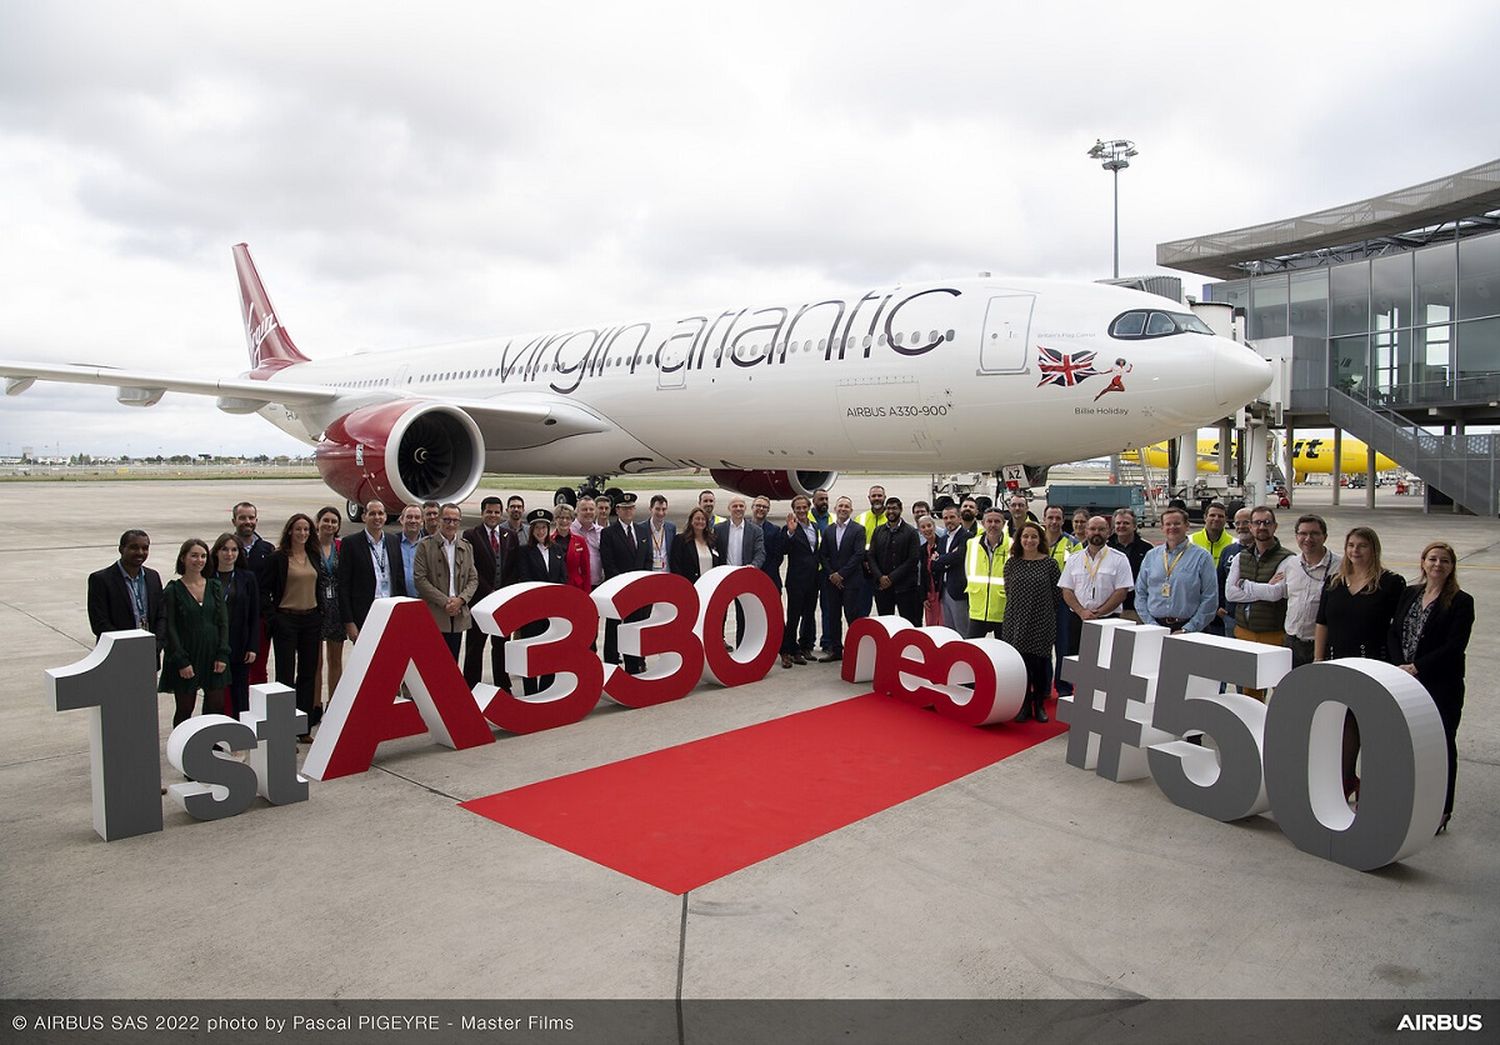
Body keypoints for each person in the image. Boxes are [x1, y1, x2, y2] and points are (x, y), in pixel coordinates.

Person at [1389, 541, 1474, 833]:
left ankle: (1442, 808)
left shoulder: (1461, 601)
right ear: (1423, 562)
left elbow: (1455, 646)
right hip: (1405, 680)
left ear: (1452, 567)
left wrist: (1418, 667)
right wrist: (1401, 664)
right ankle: (1408, 801)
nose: (1438, 565)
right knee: (1407, 743)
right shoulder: (1409, 593)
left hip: (1441, 684)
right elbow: (1394, 632)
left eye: (1445, 561)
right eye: (1433, 559)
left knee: (1443, 744)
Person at [1316, 526, 1405, 800]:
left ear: (1373, 549)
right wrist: (1318, 659)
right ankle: (1345, 778)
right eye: (1351, 545)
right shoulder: (1334, 581)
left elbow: (1398, 627)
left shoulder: (1390, 583)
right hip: (1338, 660)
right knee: (1343, 724)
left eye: (1362, 545)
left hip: (1373, 663)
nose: (1355, 551)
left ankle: (1374, 782)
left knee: (1370, 724)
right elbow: (1322, 622)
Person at [158, 538, 230, 728]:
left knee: (216, 704)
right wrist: (181, 660)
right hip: (187, 655)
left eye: (203, 556)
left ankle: (211, 744)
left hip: (213, 654)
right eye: (194, 555)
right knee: (185, 708)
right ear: (183, 558)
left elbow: (223, 622)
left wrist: (223, 653)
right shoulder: (173, 590)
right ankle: (181, 749)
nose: (199, 560)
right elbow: (170, 627)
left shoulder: (214, 586)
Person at [264, 514, 324, 739]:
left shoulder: (313, 555)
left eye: (307, 530)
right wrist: (274, 617)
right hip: (286, 620)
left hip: (310, 620)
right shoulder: (278, 558)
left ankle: (303, 727)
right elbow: (264, 591)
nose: (302, 534)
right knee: (285, 676)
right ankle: (284, 729)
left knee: (308, 674)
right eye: (298, 529)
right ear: (290, 531)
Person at [1224, 506, 1294, 699]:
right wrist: (1264, 588)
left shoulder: (1288, 559)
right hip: (1244, 632)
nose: (1262, 526)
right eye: (1257, 522)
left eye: (1267, 522)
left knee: (1281, 690)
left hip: (1274, 634)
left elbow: (1276, 594)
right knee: (1249, 691)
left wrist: (1245, 584)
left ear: (1275, 527)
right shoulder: (1241, 556)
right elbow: (1230, 594)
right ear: (1251, 527)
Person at [1002, 521, 1060, 722]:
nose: (1029, 540)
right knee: (1020, 666)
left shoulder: (1050, 564)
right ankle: (1024, 704)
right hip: (1015, 620)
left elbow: (1056, 594)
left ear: (1040, 540)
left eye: (1034, 536)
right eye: (1025, 536)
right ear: (1019, 539)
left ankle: (1039, 704)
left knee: (1039, 665)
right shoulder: (1012, 563)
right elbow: (1009, 591)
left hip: (1041, 620)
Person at [1269, 514, 1340, 668]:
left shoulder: (1340, 567)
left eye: (1314, 533)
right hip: (1292, 642)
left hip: (1322, 644)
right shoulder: (1291, 564)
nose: (1308, 538)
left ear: (1325, 537)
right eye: (1303, 533)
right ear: (1296, 537)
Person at [465, 496, 519, 691]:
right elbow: (471, 568)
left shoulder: (509, 535)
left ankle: (503, 685)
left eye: (496, 512)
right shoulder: (471, 535)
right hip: (480, 601)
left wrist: (503, 593)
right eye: (489, 512)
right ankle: (471, 685)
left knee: (501, 645)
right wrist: (490, 592)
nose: (493, 515)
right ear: (482, 513)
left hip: (502, 602)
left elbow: (513, 567)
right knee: (475, 646)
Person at [1058, 515, 1133, 654]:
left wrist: (1098, 613)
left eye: (1101, 529)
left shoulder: (1120, 559)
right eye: (1092, 529)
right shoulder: (1074, 559)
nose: (1096, 532)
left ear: (1109, 532)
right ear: (1086, 532)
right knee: (1076, 660)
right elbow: (1067, 590)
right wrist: (1081, 612)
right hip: (1078, 620)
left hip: (1108, 619)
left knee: (1104, 663)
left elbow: (1121, 592)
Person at [1135, 506, 1217, 634]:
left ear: (1187, 526)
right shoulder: (1151, 556)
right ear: (1162, 528)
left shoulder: (1202, 557)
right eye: (1168, 524)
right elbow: (1140, 593)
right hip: (1155, 626)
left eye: (1177, 523)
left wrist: (1188, 629)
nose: (1172, 527)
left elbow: (1210, 598)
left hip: (1189, 628)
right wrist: (1151, 625)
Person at [413, 503, 478, 659]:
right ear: (439, 520)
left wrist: (460, 600)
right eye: (447, 520)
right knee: (433, 661)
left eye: (455, 520)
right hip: (436, 612)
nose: (451, 524)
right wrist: (445, 602)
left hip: (458, 613)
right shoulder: (425, 546)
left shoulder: (466, 547)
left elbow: (473, 578)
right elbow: (419, 579)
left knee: (452, 661)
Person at [337, 499, 407, 643]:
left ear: (386, 517)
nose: (377, 517)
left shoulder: (393, 541)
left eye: (381, 513)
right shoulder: (351, 543)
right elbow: (343, 585)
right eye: (372, 513)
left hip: (389, 610)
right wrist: (349, 622)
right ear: (364, 517)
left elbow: (399, 580)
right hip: (364, 614)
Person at [209, 532, 260, 719]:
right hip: (214, 645)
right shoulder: (207, 578)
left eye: (234, 550)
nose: (229, 554)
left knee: (240, 693)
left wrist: (252, 646)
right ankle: (214, 735)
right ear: (216, 552)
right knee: (215, 696)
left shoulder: (247, 578)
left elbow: (254, 615)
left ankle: (240, 734)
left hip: (239, 644)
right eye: (224, 549)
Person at [88, 529, 165, 651]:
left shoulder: (153, 577)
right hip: (116, 652)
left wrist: (157, 644)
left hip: (149, 651)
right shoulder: (101, 580)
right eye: (134, 548)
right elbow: (99, 623)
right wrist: (127, 645)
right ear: (121, 549)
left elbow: (161, 615)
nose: (140, 552)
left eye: (145, 548)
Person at [517, 509, 567, 696]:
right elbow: (526, 579)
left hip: (553, 613)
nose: (540, 531)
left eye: (544, 527)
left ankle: (547, 689)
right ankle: (531, 691)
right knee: (531, 653)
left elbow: (563, 578)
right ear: (532, 530)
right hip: (533, 613)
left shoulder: (557, 550)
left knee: (550, 653)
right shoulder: (525, 551)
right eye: (537, 528)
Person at [599, 492, 649, 674]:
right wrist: (623, 586)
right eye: (624, 508)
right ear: (617, 510)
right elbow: (608, 563)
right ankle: (611, 666)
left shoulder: (643, 531)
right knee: (614, 629)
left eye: (631, 508)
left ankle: (634, 665)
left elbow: (647, 559)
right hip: (617, 590)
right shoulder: (608, 533)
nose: (628, 511)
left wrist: (641, 583)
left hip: (638, 590)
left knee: (634, 629)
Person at [816, 496, 866, 661]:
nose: (843, 509)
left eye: (846, 507)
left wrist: (841, 574)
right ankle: (836, 650)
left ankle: (855, 650)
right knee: (833, 616)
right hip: (832, 582)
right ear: (835, 509)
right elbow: (823, 555)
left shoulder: (858, 529)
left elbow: (858, 554)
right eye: (840, 506)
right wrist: (832, 574)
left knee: (852, 616)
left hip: (851, 581)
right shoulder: (829, 530)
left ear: (851, 510)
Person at [232, 501, 274, 685]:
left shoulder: (267, 549)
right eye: (242, 518)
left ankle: (258, 710)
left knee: (258, 669)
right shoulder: (225, 549)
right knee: (233, 669)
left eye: (251, 517)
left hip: (260, 618)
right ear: (234, 521)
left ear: (256, 520)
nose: (247, 521)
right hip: (232, 618)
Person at [716, 497, 767, 644]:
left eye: (741, 506)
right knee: (720, 614)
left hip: (744, 578)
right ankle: (719, 643)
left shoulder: (755, 530)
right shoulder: (720, 529)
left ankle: (742, 647)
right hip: (724, 577)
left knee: (743, 615)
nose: (738, 508)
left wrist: (754, 566)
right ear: (729, 509)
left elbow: (760, 552)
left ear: (745, 509)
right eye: (735, 506)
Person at [1043, 506, 1081, 695]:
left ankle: (1064, 686)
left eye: (1058, 518)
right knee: (1042, 647)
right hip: (1040, 602)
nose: (1054, 522)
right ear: (1044, 519)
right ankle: (1044, 686)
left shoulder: (1072, 543)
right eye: (1050, 517)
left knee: (1063, 647)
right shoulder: (1035, 539)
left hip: (1063, 603)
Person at [780, 495, 821, 668]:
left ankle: (804, 647)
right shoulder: (790, 528)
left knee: (809, 614)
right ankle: (788, 650)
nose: (802, 511)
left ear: (809, 508)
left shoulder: (815, 527)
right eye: (798, 508)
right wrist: (790, 533)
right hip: (796, 579)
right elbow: (783, 549)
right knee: (794, 615)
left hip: (813, 579)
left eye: (804, 507)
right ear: (794, 510)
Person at [867, 496, 921, 625]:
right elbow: (871, 555)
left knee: (909, 622)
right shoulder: (878, 531)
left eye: (894, 508)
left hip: (905, 587)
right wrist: (880, 577)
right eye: (889, 508)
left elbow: (913, 559)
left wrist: (891, 578)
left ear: (901, 510)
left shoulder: (911, 532)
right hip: (882, 587)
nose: (891, 511)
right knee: (886, 624)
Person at [313, 506, 346, 710]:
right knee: (315, 662)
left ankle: (334, 705)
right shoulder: (309, 548)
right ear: (317, 522)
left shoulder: (341, 546)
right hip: (316, 607)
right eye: (326, 520)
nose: (330, 525)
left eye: (334, 522)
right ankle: (314, 704)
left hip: (337, 608)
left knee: (335, 660)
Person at [964, 507, 1011, 639]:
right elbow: (967, 571)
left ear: (1003, 524)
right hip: (977, 610)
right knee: (972, 650)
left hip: (1002, 611)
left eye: (997, 521)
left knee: (1004, 652)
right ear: (983, 523)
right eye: (989, 521)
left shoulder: (1012, 546)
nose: (993, 525)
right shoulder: (972, 544)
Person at [1107, 507, 1153, 621]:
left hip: (1135, 608)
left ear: (1134, 526)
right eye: (1118, 523)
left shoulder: (1147, 549)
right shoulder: (1105, 548)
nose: (1121, 526)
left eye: (1126, 523)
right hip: (1108, 607)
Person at [933, 504, 971, 634]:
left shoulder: (967, 537)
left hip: (958, 591)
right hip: (944, 590)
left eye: (952, 517)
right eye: (945, 518)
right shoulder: (943, 539)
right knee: (949, 631)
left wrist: (942, 559)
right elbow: (934, 564)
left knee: (963, 630)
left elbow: (959, 557)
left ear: (960, 518)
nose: (948, 520)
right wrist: (947, 558)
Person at [671, 506, 721, 582]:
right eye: (697, 519)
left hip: (710, 584)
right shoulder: (681, 540)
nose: (700, 521)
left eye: (703, 519)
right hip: (690, 585)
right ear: (691, 521)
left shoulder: (712, 541)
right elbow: (675, 566)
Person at [569, 496, 604, 593]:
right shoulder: (569, 531)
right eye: (584, 509)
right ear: (577, 511)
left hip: (597, 585)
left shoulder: (601, 532)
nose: (588, 512)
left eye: (591, 509)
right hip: (576, 586)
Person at [753, 496, 786, 593]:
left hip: (770, 578)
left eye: (764, 507)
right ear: (752, 507)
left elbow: (778, 557)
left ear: (768, 510)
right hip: (749, 577)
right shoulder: (744, 528)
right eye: (758, 506)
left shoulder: (775, 530)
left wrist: (763, 575)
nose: (761, 509)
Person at [916, 514, 943, 626]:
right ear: (920, 530)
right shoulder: (922, 549)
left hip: (941, 594)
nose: (926, 529)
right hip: (929, 594)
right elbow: (922, 574)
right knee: (931, 626)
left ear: (934, 526)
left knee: (943, 625)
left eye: (929, 526)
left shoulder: (943, 544)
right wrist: (923, 597)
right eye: (923, 527)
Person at [644, 495, 675, 573]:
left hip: (667, 574)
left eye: (664, 509)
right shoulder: (641, 528)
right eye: (657, 509)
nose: (661, 513)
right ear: (650, 509)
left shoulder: (671, 528)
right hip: (648, 574)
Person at [398, 504, 424, 596]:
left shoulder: (429, 544)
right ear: (401, 520)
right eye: (409, 517)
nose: (413, 521)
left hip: (423, 600)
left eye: (417, 518)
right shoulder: (392, 543)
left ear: (422, 522)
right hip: (398, 599)